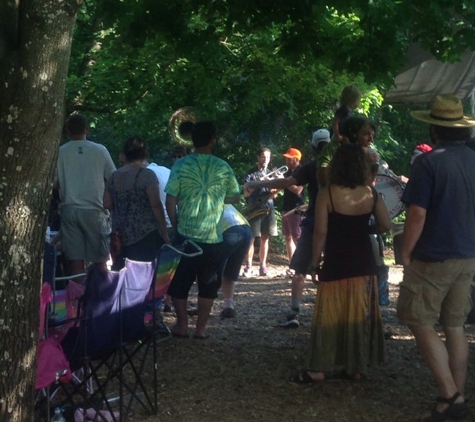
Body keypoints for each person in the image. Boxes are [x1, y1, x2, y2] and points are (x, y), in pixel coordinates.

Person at [396, 94, 475, 422]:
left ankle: (450, 394)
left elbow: (417, 214)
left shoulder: (428, 163)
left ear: (434, 128)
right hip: (468, 255)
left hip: (434, 255)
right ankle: (453, 399)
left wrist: (406, 251)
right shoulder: (473, 159)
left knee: (417, 318)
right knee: (455, 325)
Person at [292, 143, 391, 383]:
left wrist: (314, 264)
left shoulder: (327, 193)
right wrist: (366, 228)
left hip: (337, 260)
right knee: (358, 313)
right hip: (363, 261)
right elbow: (386, 225)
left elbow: (320, 232)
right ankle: (354, 366)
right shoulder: (370, 193)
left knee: (329, 314)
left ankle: (319, 368)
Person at [245, 129, 330, 328]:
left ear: (313, 146)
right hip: (338, 222)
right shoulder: (344, 165)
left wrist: (257, 182)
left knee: (299, 270)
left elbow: (287, 182)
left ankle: (294, 312)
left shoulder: (312, 166)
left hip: (315, 221)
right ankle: (335, 313)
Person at [165, 121, 241, 339]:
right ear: (213, 139)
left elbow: (170, 199)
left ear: (192, 139)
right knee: (208, 284)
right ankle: (201, 329)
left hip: (186, 234)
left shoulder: (181, 165)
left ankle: (181, 325)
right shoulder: (223, 166)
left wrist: (175, 222)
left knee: (179, 283)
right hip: (213, 236)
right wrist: (217, 197)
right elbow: (236, 195)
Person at [55, 114, 116, 276]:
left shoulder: (60, 152)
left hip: (70, 210)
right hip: (94, 210)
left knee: (75, 260)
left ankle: (77, 298)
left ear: (67, 131)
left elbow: (55, 183)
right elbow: (113, 178)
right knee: (100, 259)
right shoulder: (100, 150)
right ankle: (100, 296)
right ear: (87, 130)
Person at [103, 136, 170, 270]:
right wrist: (164, 232)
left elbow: (107, 204)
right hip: (145, 234)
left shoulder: (114, 176)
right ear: (144, 153)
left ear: (125, 154)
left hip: (121, 235)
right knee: (144, 276)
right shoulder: (147, 175)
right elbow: (155, 204)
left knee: (123, 275)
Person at [242, 148, 278, 277]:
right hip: (254, 207)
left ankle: (263, 266)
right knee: (251, 238)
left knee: (265, 237)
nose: (265, 160)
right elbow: (246, 192)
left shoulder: (271, 173)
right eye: (263, 157)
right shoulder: (250, 173)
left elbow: (274, 196)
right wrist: (259, 182)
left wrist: (275, 188)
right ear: (258, 157)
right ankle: (249, 266)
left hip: (268, 207)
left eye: (267, 157)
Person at [218, 205, 253, 318]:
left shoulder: (202, 202)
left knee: (210, 268)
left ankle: (203, 304)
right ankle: (229, 306)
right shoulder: (225, 202)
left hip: (229, 230)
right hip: (246, 229)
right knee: (231, 270)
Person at [281, 148, 305, 270]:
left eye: (289, 159)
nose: (286, 160)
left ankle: (301, 266)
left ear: (296, 159)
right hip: (286, 207)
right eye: (286, 158)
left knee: (297, 237)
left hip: (297, 208)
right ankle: (292, 265)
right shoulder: (287, 172)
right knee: (287, 237)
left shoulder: (302, 172)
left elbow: (298, 190)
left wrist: (284, 181)